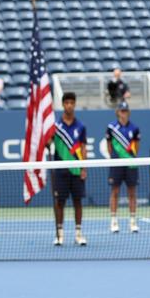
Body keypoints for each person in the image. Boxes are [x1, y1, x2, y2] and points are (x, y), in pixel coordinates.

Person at [51, 92, 87, 246]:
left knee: (77, 201)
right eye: (67, 103)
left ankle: (78, 234)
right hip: (60, 170)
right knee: (60, 202)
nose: (69, 105)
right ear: (63, 104)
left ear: (75, 104)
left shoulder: (81, 126)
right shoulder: (55, 127)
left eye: (72, 102)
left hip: (76, 170)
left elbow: (84, 148)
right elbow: (47, 143)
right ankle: (59, 234)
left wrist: (84, 167)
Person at [106, 101, 140, 233]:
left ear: (128, 112)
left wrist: (130, 157)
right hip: (116, 165)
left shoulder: (135, 128)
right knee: (115, 192)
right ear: (117, 112)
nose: (124, 113)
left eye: (126, 111)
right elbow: (109, 146)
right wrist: (114, 158)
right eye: (122, 111)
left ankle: (132, 221)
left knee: (132, 192)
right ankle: (114, 221)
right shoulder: (111, 128)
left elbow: (137, 146)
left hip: (131, 164)